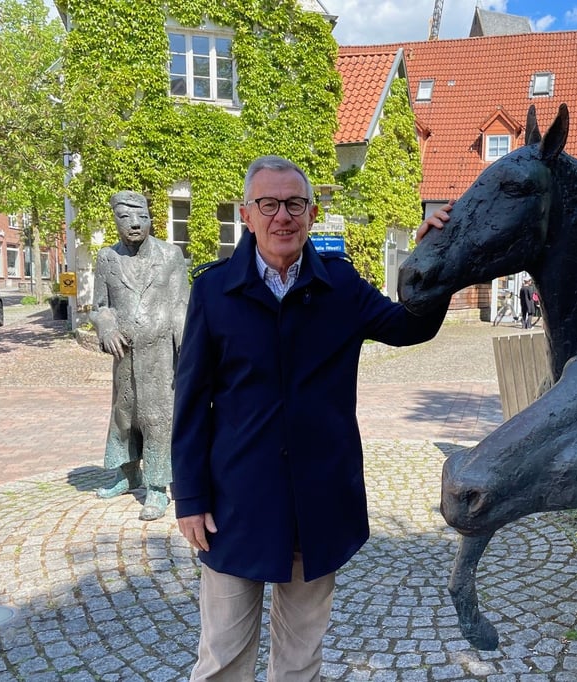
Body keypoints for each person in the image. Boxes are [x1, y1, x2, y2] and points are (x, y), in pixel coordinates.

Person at [171, 156, 451, 681]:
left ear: (312, 212)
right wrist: (189, 497)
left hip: (316, 501)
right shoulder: (213, 292)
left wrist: (435, 255)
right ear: (248, 215)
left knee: (301, 656)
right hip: (236, 502)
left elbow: (410, 327)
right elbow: (190, 401)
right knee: (223, 656)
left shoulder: (341, 287)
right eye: (269, 204)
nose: (283, 216)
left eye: (295, 204)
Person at [89, 190, 189, 521]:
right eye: (126, 218)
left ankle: (158, 488)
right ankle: (128, 474)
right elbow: (100, 307)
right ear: (116, 220)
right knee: (124, 416)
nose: (135, 224)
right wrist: (106, 328)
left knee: (157, 418)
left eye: (141, 218)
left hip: (161, 354)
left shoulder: (170, 255)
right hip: (126, 353)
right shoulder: (107, 259)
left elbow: (180, 304)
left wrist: (186, 347)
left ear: (149, 219)